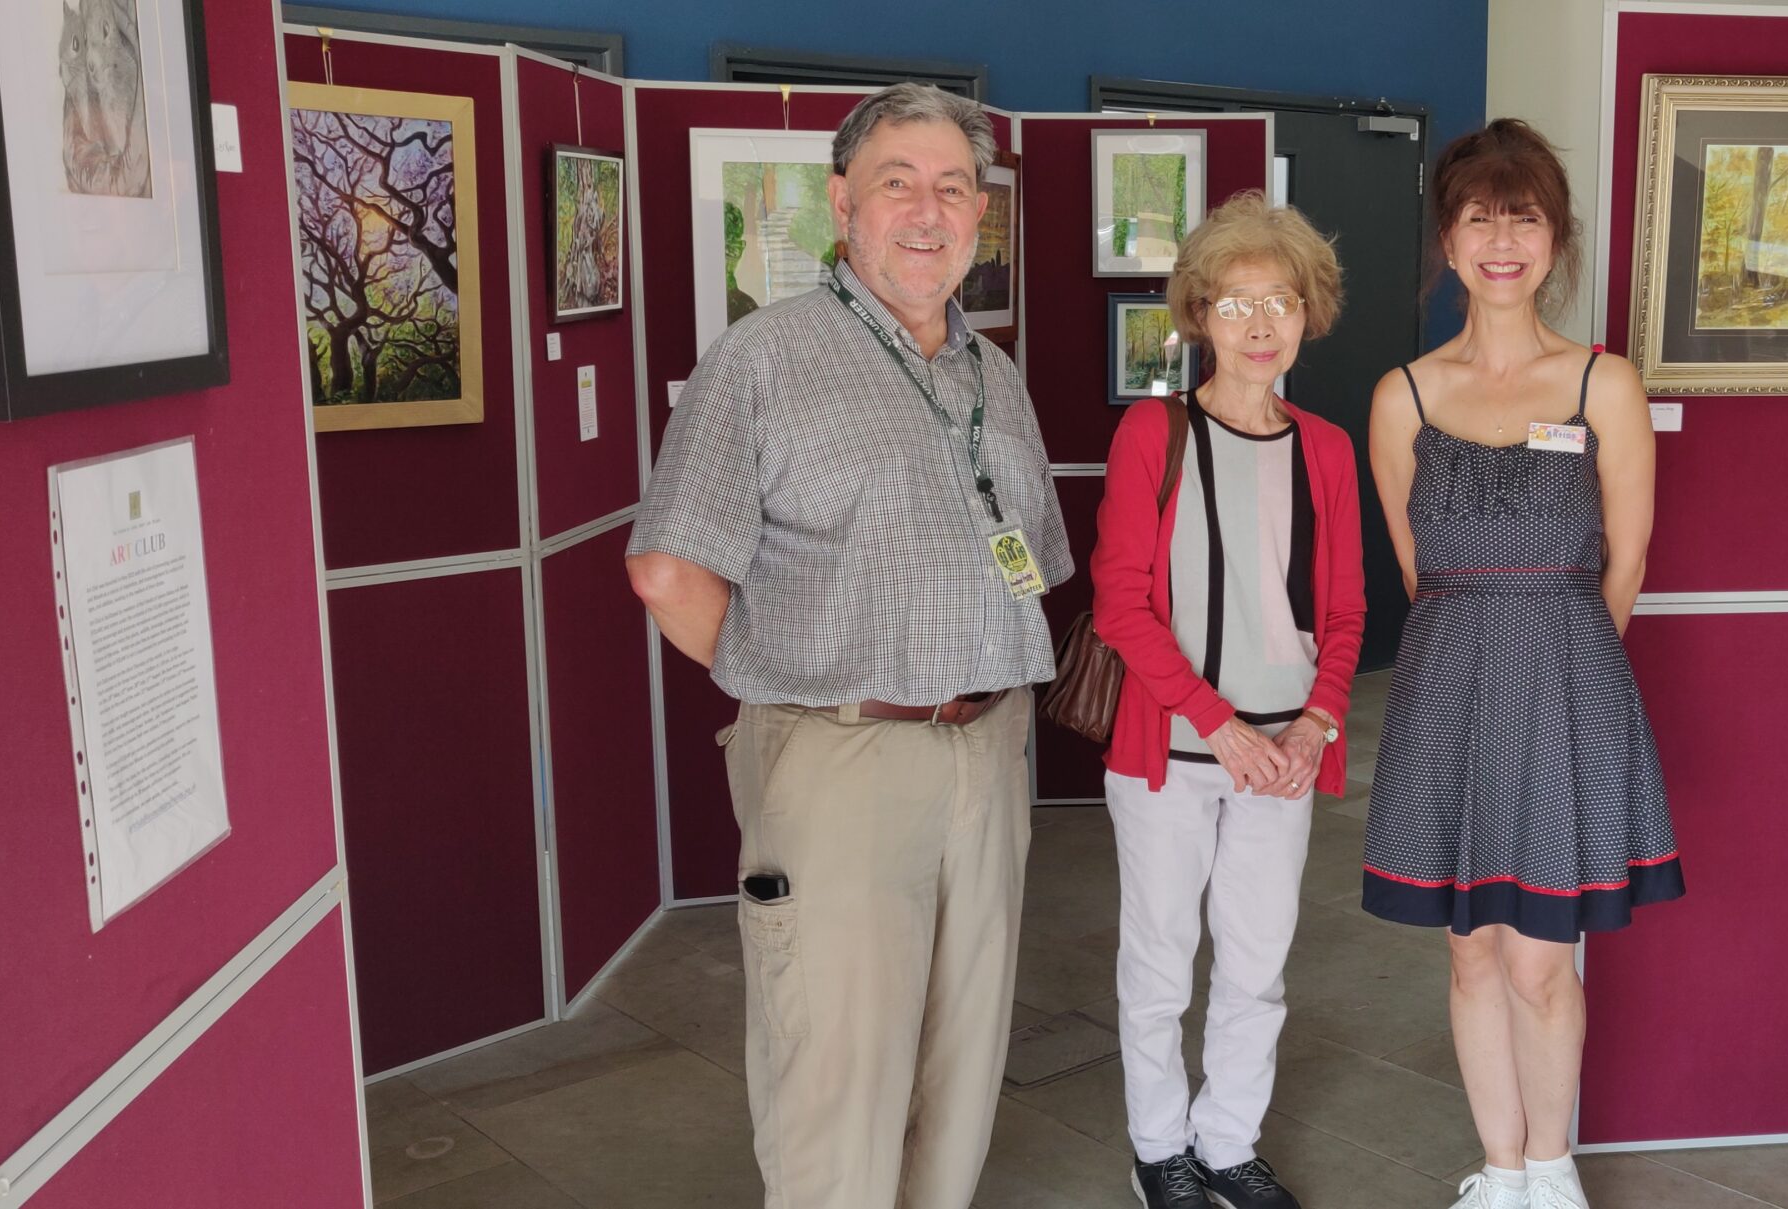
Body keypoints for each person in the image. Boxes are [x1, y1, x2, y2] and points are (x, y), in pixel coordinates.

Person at [625, 82, 1072, 1209]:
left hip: (988, 751)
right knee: (837, 1081)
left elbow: (1028, 555)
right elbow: (669, 572)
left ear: (982, 212)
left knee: (959, 1071)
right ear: (842, 204)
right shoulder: (762, 359)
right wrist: (795, 678)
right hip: (844, 757)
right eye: (896, 184)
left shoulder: (990, 372)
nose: (928, 212)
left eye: (953, 187)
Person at [1358, 119, 1683, 1209]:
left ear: (1557, 238)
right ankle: (1499, 1175)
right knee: (1468, 954)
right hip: (1449, 683)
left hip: (1568, 680)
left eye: (1525, 218)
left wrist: (1559, 669)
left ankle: (1552, 1170)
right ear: (1446, 241)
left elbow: (1626, 561)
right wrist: (1491, 645)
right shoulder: (1401, 396)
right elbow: (1418, 570)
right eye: (1479, 218)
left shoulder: (1603, 384)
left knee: (1541, 958)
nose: (1502, 241)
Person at [1090, 191, 1366, 1209]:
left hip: (1283, 754)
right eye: (1236, 302)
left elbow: (1346, 611)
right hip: (1170, 750)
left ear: (1309, 312)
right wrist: (1216, 723)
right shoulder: (1152, 435)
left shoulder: (1326, 447)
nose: (1260, 325)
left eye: (1281, 301)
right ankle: (1159, 1149)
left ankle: (1227, 1144)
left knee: (1256, 969)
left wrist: (1314, 723)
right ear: (1198, 315)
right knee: (1159, 967)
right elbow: (1118, 605)